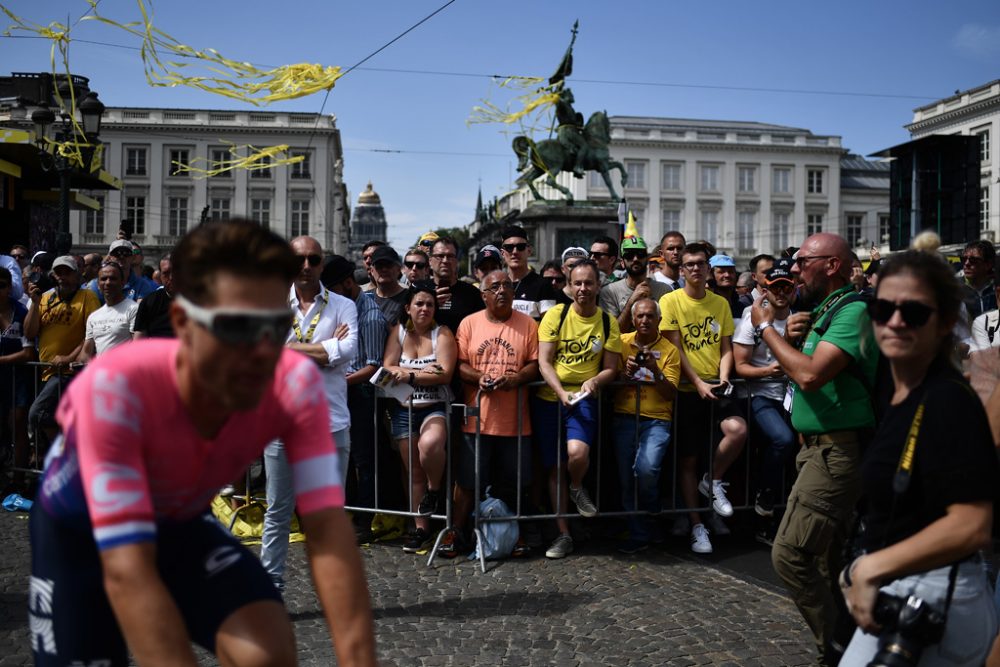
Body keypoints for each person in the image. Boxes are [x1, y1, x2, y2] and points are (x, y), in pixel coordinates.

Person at [28, 220, 376, 667]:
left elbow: (328, 534)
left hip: (177, 518)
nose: (255, 351)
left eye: (273, 327)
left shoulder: (296, 386)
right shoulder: (117, 388)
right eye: (234, 327)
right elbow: (128, 574)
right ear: (183, 324)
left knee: (265, 650)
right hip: (79, 536)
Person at [838, 250, 999, 666]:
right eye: (883, 308)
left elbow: (971, 525)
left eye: (913, 311)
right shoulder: (903, 390)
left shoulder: (946, 399)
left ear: (946, 322)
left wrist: (871, 567)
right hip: (903, 586)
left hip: (935, 596)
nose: (894, 321)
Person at [750, 233, 880, 666]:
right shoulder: (821, 312)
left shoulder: (854, 311)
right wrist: (788, 333)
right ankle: (854, 648)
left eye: (804, 260)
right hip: (817, 451)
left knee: (789, 555)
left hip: (838, 452)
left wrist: (765, 329)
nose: (795, 268)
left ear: (833, 266)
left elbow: (809, 378)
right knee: (826, 561)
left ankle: (838, 648)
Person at [260, 236, 357, 591]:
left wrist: (291, 348)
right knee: (277, 512)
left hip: (330, 424)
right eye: (298, 259)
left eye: (313, 259)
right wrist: (325, 349)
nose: (305, 266)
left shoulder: (343, 305)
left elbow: (348, 350)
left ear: (321, 264)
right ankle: (270, 586)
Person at [441, 270, 539, 557]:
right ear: (483, 295)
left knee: (516, 481)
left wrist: (517, 379)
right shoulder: (469, 324)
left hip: (515, 420)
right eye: (495, 286)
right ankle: (456, 532)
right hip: (477, 418)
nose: (502, 290)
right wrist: (479, 376)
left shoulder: (528, 325)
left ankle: (516, 534)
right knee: (468, 481)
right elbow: (459, 365)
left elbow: (534, 364)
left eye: (507, 285)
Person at [658, 243, 746, 554]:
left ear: (708, 269)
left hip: (716, 384)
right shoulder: (670, 301)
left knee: (738, 430)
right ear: (681, 270)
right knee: (688, 460)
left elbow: (725, 348)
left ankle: (714, 480)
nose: (696, 269)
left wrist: (723, 378)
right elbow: (674, 348)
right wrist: (696, 382)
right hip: (686, 389)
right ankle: (697, 525)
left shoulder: (719, 304)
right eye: (690, 264)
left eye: (700, 264)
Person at [535, 260, 622, 559]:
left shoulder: (608, 322)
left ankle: (576, 486)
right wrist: (560, 392)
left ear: (599, 286)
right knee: (554, 466)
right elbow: (544, 361)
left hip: (584, 401)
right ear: (569, 287)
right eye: (578, 283)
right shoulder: (555, 316)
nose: (583, 289)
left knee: (577, 454)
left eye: (589, 283)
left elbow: (612, 368)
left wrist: (596, 380)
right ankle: (563, 534)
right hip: (550, 398)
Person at [382, 282, 456, 553]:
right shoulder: (398, 332)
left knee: (430, 446)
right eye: (419, 304)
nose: (425, 309)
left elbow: (446, 372)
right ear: (408, 308)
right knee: (413, 472)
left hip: (434, 407)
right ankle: (420, 528)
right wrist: (426, 370)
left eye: (430, 304)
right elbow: (388, 367)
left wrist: (409, 373)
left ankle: (434, 491)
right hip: (404, 409)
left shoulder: (443, 333)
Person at [323, 255, 388, 540]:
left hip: (360, 395)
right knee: (342, 457)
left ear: (348, 283)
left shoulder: (370, 316)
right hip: (340, 392)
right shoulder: (339, 309)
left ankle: (364, 520)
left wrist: (339, 379)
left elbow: (373, 366)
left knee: (363, 459)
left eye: (332, 288)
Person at [612, 297, 680, 554]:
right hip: (624, 416)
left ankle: (653, 509)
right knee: (626, 479)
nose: (644, 320)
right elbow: (611, 380)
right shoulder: (621, 343)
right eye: (640, 316)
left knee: (647, 469)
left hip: (657, 419)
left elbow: (670, 392)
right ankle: (640, 534)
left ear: (659, 320)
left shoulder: (670, 350)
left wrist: (655, 370)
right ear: (632, 319)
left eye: (650, 316)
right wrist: (624, 374)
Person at [733, 259, 796, 519]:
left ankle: (780, 511)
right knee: (783, 439)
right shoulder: (752, 319)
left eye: (786, 287)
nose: (781, 293)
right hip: (757, 395)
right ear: (765, 289)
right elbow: (739, 366)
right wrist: (766, 372)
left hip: (790, 398)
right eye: (775, 287)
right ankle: (766, 493)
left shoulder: (797, 319)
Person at [25, 255, 100, 453]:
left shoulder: (88, 297)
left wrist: (68, 359)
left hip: (67, 373)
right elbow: (30, 333)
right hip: (44, 372)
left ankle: (67, 453)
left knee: (36, 414)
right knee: (54, 418)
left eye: (68, 272)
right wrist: (34, 303)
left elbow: (91, 335)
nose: (63, 277)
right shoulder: (45, 297)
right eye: (59, 272)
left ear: (78, 275)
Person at [0, 266, 34, 496]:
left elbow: (29, 354)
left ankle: (19, 478)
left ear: (9, 288)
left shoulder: (21, 312)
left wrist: (1, 360)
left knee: (18, 424)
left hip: (17, 378)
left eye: (1, 286)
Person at [599, 235, 669, 334]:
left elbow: (667, 331)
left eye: (640, 254)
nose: (635, 259)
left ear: (647, 258)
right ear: (622, 262)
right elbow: (613, 333)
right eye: (629, 255)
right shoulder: (609, 291)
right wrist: (632, 301)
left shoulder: (664, 290)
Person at [77, 259, 138, 362]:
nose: (108, 282)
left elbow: (137, 348)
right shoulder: (93, 317)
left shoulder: (134, 309)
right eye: (104, 279)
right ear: (97, 284)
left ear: (123, 283)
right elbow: (86, 352)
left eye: (113, 278)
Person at [501, 226, 558, 321]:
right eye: (509, 248)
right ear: (502, 253)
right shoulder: (497, 285)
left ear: (529, 251)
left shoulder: (543, 285)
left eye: (520, 247)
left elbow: (550, 326)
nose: (515, 252)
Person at [428, 237, 484, 333]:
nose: (445, 261)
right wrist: (430, 304)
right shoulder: (419, 292)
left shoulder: (472, 294)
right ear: (430, 261)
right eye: (440, 256)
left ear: (457, 260)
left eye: (450, 256)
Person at [133, 254, 175, 339]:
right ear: (160, 276)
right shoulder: (149, 302)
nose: (171, 277)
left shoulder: (201, 301)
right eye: (166, 273)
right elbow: (138, 342)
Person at [369, 245, 408, 327]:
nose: (384, 269)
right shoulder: (365, 298)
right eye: (379, 266)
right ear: (372, 271)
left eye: (388, 265)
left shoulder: (410, 298)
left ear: (398, 269)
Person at [960, 240, 996, 320]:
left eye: (973, 260)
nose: (966, 263)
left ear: (988, 264)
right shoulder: (955, 292)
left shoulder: (996, 291)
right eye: (964, 259)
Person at [709, 254, 743, 320]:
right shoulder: (707, 305)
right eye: (721, 272)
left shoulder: (741, 306)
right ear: (711, 275)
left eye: (731, 271)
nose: (727, 275)